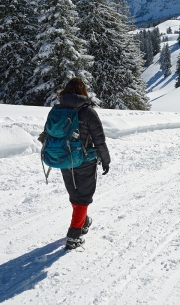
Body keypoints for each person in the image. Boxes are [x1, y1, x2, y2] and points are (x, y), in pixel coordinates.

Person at [46, 78, 110, 250]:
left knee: (75, 195)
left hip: (64, 159)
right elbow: (99, 140)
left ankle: (82, 221)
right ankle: (74, 235)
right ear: (83, 92)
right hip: (85, 160)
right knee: (83, 197)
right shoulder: (88, 111)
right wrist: (106, 159)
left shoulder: (57, 109)